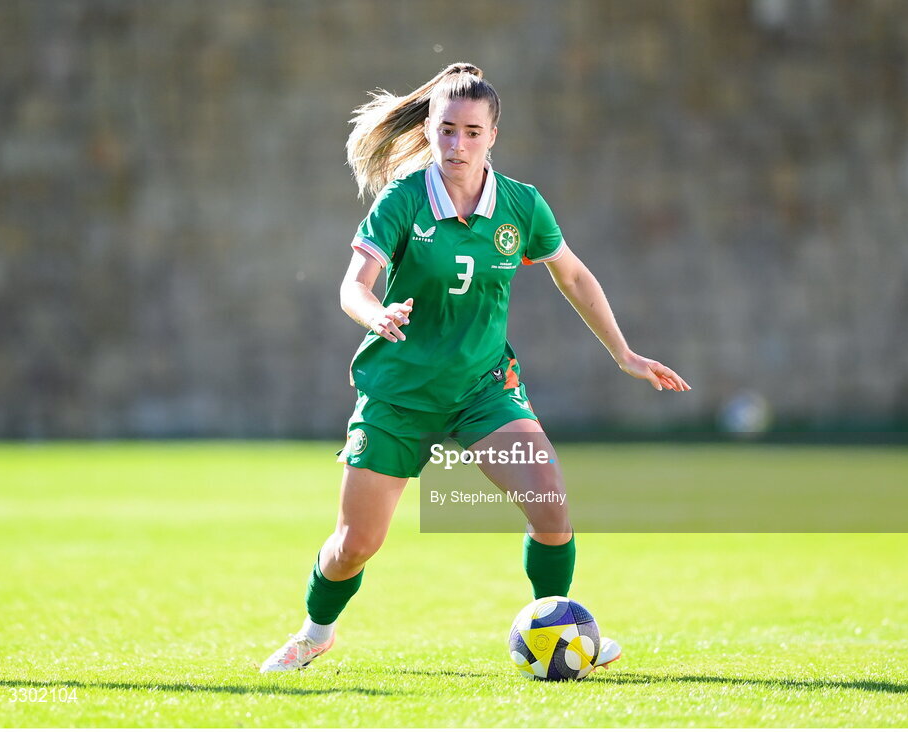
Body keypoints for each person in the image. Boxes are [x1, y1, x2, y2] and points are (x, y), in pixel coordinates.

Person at [260, 63, 690, 674]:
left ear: (492, 136)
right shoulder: (404, 199)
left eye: (471, 132)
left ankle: (559, 630)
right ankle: (314, 633)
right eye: (446, 130)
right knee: (355, 546)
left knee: (551, 509)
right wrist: (376, 314)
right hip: (400, 394)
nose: (457, 144)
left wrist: (624, 353)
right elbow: (353, 286)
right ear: (429, 131)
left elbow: (573, 276)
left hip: (482, 389)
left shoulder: (521, 205)